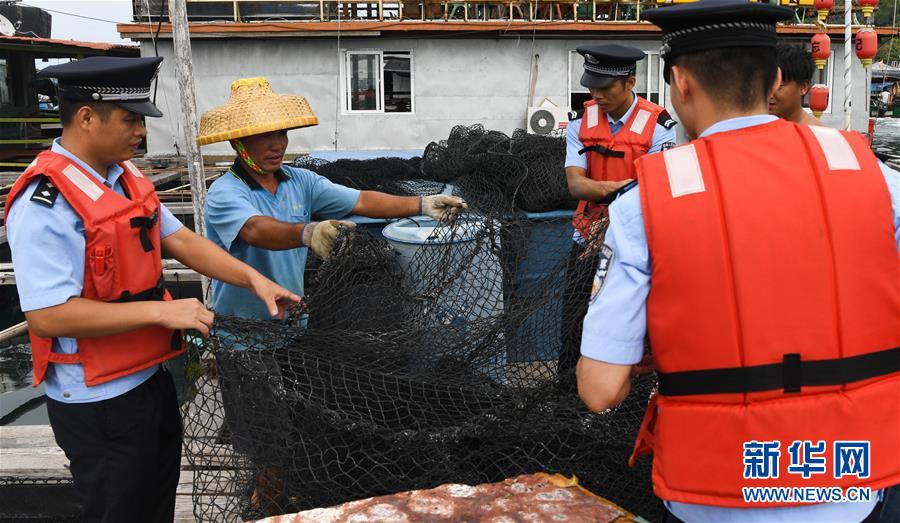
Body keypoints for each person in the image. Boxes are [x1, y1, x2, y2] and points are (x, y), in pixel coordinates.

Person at [575, 1, 900, 522]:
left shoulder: (648, 200)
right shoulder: (872, 175)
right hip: (850, 483)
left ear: (680, 83)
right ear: (775, 79)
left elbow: (599, 389)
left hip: (707, 492)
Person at [4, 57, 300, 522]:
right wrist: (164, 313)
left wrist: (254, 278)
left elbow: (180, 240)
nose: (142, 131)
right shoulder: (46, 202)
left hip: (149, 379)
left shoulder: (126, 178)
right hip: (97, 402)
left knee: (157, 500)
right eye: (131, 120)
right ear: (86, 117)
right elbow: (48, 316)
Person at [197, 77, 467, 321]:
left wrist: (422, 204)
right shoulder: (226, 192)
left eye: (281, 133)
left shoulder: (301, 181)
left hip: (292, 322)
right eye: (264, 135)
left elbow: (361, 201)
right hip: (244, 333)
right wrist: (309, 232)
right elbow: (255, 230)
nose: (277, 144)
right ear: (237, 142)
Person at [559, 44, 677, 380]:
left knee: (641, 324)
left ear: (630, 82)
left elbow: (659, 191)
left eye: (605, 86)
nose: (596, 94)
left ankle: (635, 398)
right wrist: (626, 188)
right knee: (574, 319)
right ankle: (569, 396)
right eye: (591, 85)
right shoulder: (580, 122)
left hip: (638, 243)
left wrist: (615, 213)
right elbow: (576, 185)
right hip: (586, 239)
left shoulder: (660, 127)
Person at [769, 41, 823, 126]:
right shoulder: (755, 130)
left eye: (779, 86)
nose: (769, 94)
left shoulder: (818, 134)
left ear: (803, 87)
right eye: (766, 85)